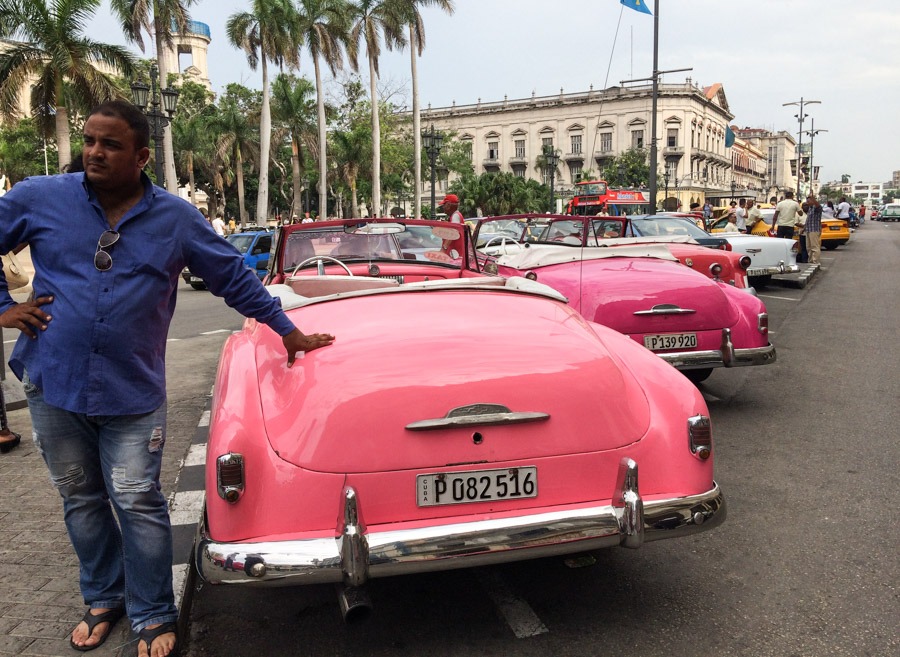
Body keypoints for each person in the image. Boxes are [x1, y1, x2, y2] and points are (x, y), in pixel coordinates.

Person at [0, 101, 335, 657]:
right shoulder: (40, 197)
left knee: (137, 499)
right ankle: (104, 597)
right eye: (88, 141)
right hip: (53, 382)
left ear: (142, 155)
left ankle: (153, 611)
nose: (94, 153)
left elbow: (230, 276)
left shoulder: (174, 218)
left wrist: (285, 330)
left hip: (132, 390)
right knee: (80, 496)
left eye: (109, 144)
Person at [803, 194, 823, 265]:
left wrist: (813, 199)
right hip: (808, 229)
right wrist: (804, 229)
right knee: (808, 247)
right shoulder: (810, 209)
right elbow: (808, 220)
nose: (807, 203)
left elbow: (818, 206)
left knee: (814, 246)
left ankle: (816, 261)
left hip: (814, 229)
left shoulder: (816, 208)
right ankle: (811, 260)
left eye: (809, 201)